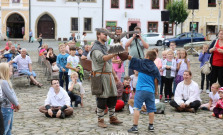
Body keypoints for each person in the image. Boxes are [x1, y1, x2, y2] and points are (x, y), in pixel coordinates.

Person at [90, 28, 122, 128]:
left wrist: (115, 75)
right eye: (104, 34)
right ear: (98, 35)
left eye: (107, 35)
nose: (106, 36)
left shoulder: (104, 46)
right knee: (102, 98)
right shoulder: (96, 48)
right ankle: (100, 119)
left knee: (113, 96)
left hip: (108, 75)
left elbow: (108, 63)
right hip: (100, 76)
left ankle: (112, 117)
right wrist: (114, 54)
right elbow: (102, 58)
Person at [126, 50, 160, 133]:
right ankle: (151, 126)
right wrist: (156, 91)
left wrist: (122, 53)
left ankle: (135, 127)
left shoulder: (141, 63)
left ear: (147, 57)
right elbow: (156, 81)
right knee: (151, 109)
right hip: (150, 91)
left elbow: (131, 58)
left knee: (137, 108)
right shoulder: (155, 68)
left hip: (140, 90)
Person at [0, 63, 21, 135]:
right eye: (10, 71)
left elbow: (13, 93)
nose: (11, 73)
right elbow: (10, 95)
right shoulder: (3, 82)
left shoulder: (6, 81)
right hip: (5, 108)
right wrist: (17, 104)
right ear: (5, 71)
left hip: (9, 107)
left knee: (9, 129)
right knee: (5, 129)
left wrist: (15, 103)